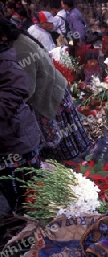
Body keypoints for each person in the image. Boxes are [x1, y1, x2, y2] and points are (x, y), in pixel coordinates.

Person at [0, 17, 90, 161]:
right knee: (70, 140)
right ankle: (81, 165)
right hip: (54, 89)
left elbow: (27, 88)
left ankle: (78, 170)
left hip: (50, 95)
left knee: (64, 145)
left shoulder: (20, 49)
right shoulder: (18, 40)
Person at [0, 42, 41, 212]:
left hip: (16, 140)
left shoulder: (6, 63)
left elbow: (18, 91)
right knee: (15, 192)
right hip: (9, 141)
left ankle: (31, 223)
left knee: (30, 192)